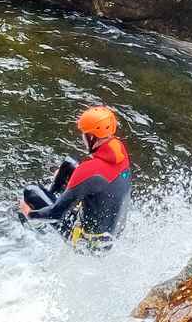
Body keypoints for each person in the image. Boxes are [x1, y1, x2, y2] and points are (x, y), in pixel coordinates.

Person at [19, 105, 131, 249]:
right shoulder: (120, 151)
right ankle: (54, 196)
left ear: (92, 137)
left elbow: (56, 214)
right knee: (68, 164)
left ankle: (36, 225)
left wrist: (30, 214)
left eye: (84, 134)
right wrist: (74, 182)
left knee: (31, 191)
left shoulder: (87, 171)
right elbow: (99, 178)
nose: (82, 138)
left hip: (87, 244)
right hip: (112, 231)